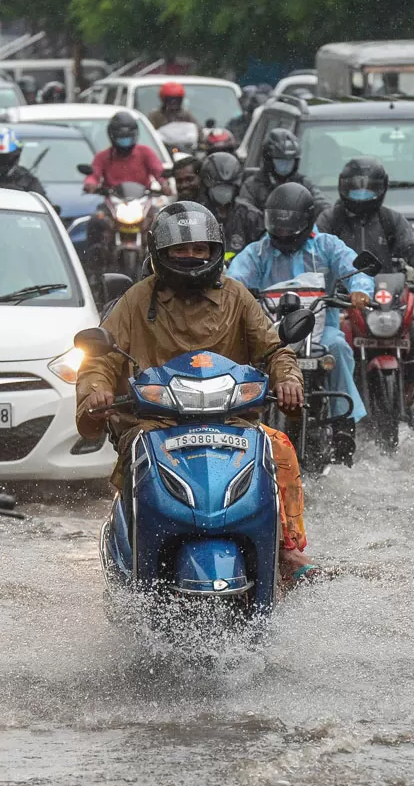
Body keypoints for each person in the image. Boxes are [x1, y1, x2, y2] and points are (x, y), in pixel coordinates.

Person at [74, 201, 327, 583]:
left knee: (279, 447)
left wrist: (288, 378)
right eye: (180, 249)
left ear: (214, 251)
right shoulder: (136, 300)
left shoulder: (237, 297)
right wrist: (95, 392)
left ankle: (286, 549)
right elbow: (98, 362)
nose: (190, 257)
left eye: (199, 249)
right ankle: (138, 566)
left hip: (233, 421)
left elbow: (275, 349)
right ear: (160, 253)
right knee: (138, 463)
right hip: (154, 425)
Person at [228, 182, 371, 462]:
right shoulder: (257, 252)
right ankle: (234, 423)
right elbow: (234, 279)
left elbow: (356, 269)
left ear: (306, 221)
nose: (282, 233)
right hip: (270, 334)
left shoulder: (327, 246)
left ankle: (344, 425)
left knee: (339, 348)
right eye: (277, 227)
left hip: (320, 334)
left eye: (288, 227)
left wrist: (360, 290)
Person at [316, 156, 414, 401]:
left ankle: (409, 391)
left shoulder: (390, 219)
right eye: (356, 188)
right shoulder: (330, 219)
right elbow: (317, 255)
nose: (361, 195)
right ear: (343, 186)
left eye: (368, 189)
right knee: (337, 340)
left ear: (381, 188)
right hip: (345, 300)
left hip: (386, 300)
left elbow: (411, 249)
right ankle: (336, 398)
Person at [82, 112, 167, 295]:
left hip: (142, 203)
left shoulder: (145, 153)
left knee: (163, 224)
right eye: (121, 137)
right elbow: (94, 174)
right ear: (112, 136)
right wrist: (90, 184)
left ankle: (165, 269)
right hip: (113, 205)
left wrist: (165, 184)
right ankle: (92, 274)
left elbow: (159, 172)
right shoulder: (103, 157)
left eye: (128, 136)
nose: (125, 141)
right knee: (95, 223)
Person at [237, 128, 325, 211]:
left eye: (289, 161)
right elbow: (244, 208)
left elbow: (321, 204)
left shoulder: (303, 184)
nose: (285, 165)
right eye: (280, 161)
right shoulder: (252, 186)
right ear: (269, 160)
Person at [198, 151, 263, 260]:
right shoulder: (197, 216)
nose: (223, 192)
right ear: (206, 185)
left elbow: (262, 253)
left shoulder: (250, 216)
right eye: (218, 187)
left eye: (228, 187)